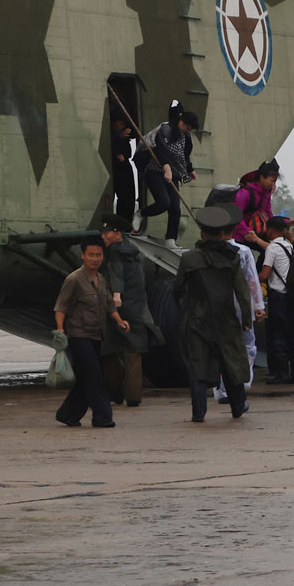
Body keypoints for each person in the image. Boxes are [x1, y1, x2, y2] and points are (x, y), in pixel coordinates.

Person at [175, 204, 256, 421]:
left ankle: (198, 414)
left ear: (202, 232)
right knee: (231, 364)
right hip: (226, 319)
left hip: (197, 319)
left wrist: (186, 312)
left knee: (198, 366)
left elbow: (178, 289)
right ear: (222, 233)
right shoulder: (232, 257)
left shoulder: (189, 258)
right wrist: (247, 319)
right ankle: (238, 407)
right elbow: (242, 291)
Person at [53, 237, 123, 428]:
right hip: (79, 336)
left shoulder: (100, 279)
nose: (95, 258)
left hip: (96, 335)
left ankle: (68, 414)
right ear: (83, 255)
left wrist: (119, 320)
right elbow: (61, 307)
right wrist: (60, 330)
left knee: (85, 378)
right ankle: (102, 417)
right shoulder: (74, 279)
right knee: (95, 376)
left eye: (98, 255)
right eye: (91, 255)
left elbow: (109, 304)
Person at [101, 215, 158, 404]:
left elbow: (116, 275)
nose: (103, 235)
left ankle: (115, 394)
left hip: (120, 308)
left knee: (109, 350)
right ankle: (133, 398)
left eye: (106, 232)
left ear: (116, 233)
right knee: (133, 354)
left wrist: (116, 295)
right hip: (137, 307)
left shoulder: (116, 253)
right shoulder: (132, 251)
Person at [142, 106, 198, 242]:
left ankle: (170, 239)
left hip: (172, 175)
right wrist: (166, 168)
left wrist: (190, 169)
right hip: (156, 172)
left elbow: (185, 155)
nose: (188, 131)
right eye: (188, 128)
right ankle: (141, 214)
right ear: (182, 122)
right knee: (163, 203)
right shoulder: (166, 130)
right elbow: (161, 150)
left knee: (175, 209)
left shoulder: (186, 137)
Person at [259, 215, 294, 385]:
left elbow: (265, 273)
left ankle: (281, 373)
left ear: (270, 230)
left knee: (278, 335)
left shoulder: (272, 248)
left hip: (279, 297)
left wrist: (251, 281)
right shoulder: (289, 246)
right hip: (292, 296)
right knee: (293, 334)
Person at [233, 159, 280, 253]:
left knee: (270, 252)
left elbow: (268, 213)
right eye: (271, 181)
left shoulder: (266, 194)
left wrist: (283, 222)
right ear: (262, 177)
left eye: (275, 181)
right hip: (239, 234)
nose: (273, 184)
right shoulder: (244, 193)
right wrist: (246, 232)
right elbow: (235, 215)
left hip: (254, 233)